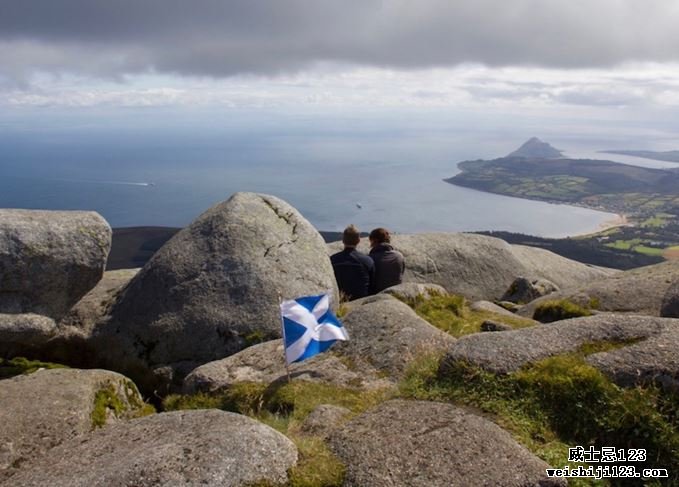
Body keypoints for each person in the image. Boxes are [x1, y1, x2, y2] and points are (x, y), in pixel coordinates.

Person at [330, 224, 375, 301]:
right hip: (361, 300)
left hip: (339, 300)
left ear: (343, 241)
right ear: (358, 241)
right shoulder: (367, 260)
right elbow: (373, 284)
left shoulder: (332, 260)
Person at [368, 227, 405, 293]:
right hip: (397, 294)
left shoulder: (370, 259)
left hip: (376, 295)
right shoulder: (399, 256)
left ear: (374, 240)